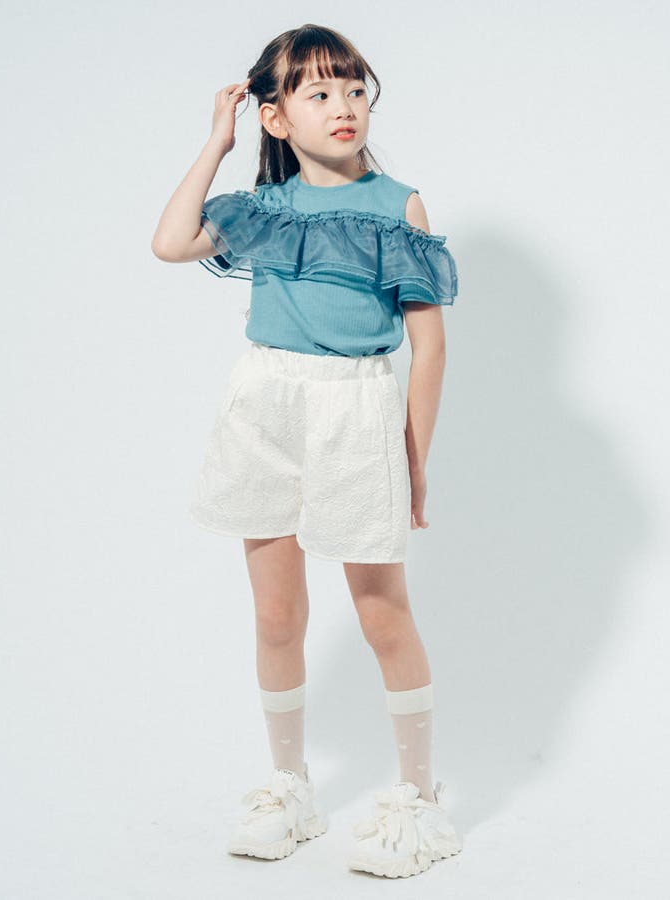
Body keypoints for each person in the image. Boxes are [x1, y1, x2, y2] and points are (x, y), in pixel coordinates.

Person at [151, 23, 462, 879]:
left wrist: (415, 455)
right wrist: (216, 145)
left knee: (380, 611)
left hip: (355, 408)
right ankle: (290, 788)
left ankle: (419, 799)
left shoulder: (397, 206)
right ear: (276, 117)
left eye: (355, 89)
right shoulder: (265, 210)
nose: (344, 106)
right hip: (266, 404)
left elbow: (428, 347)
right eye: (319, 92)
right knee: (277, 615)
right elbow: (171, 243)